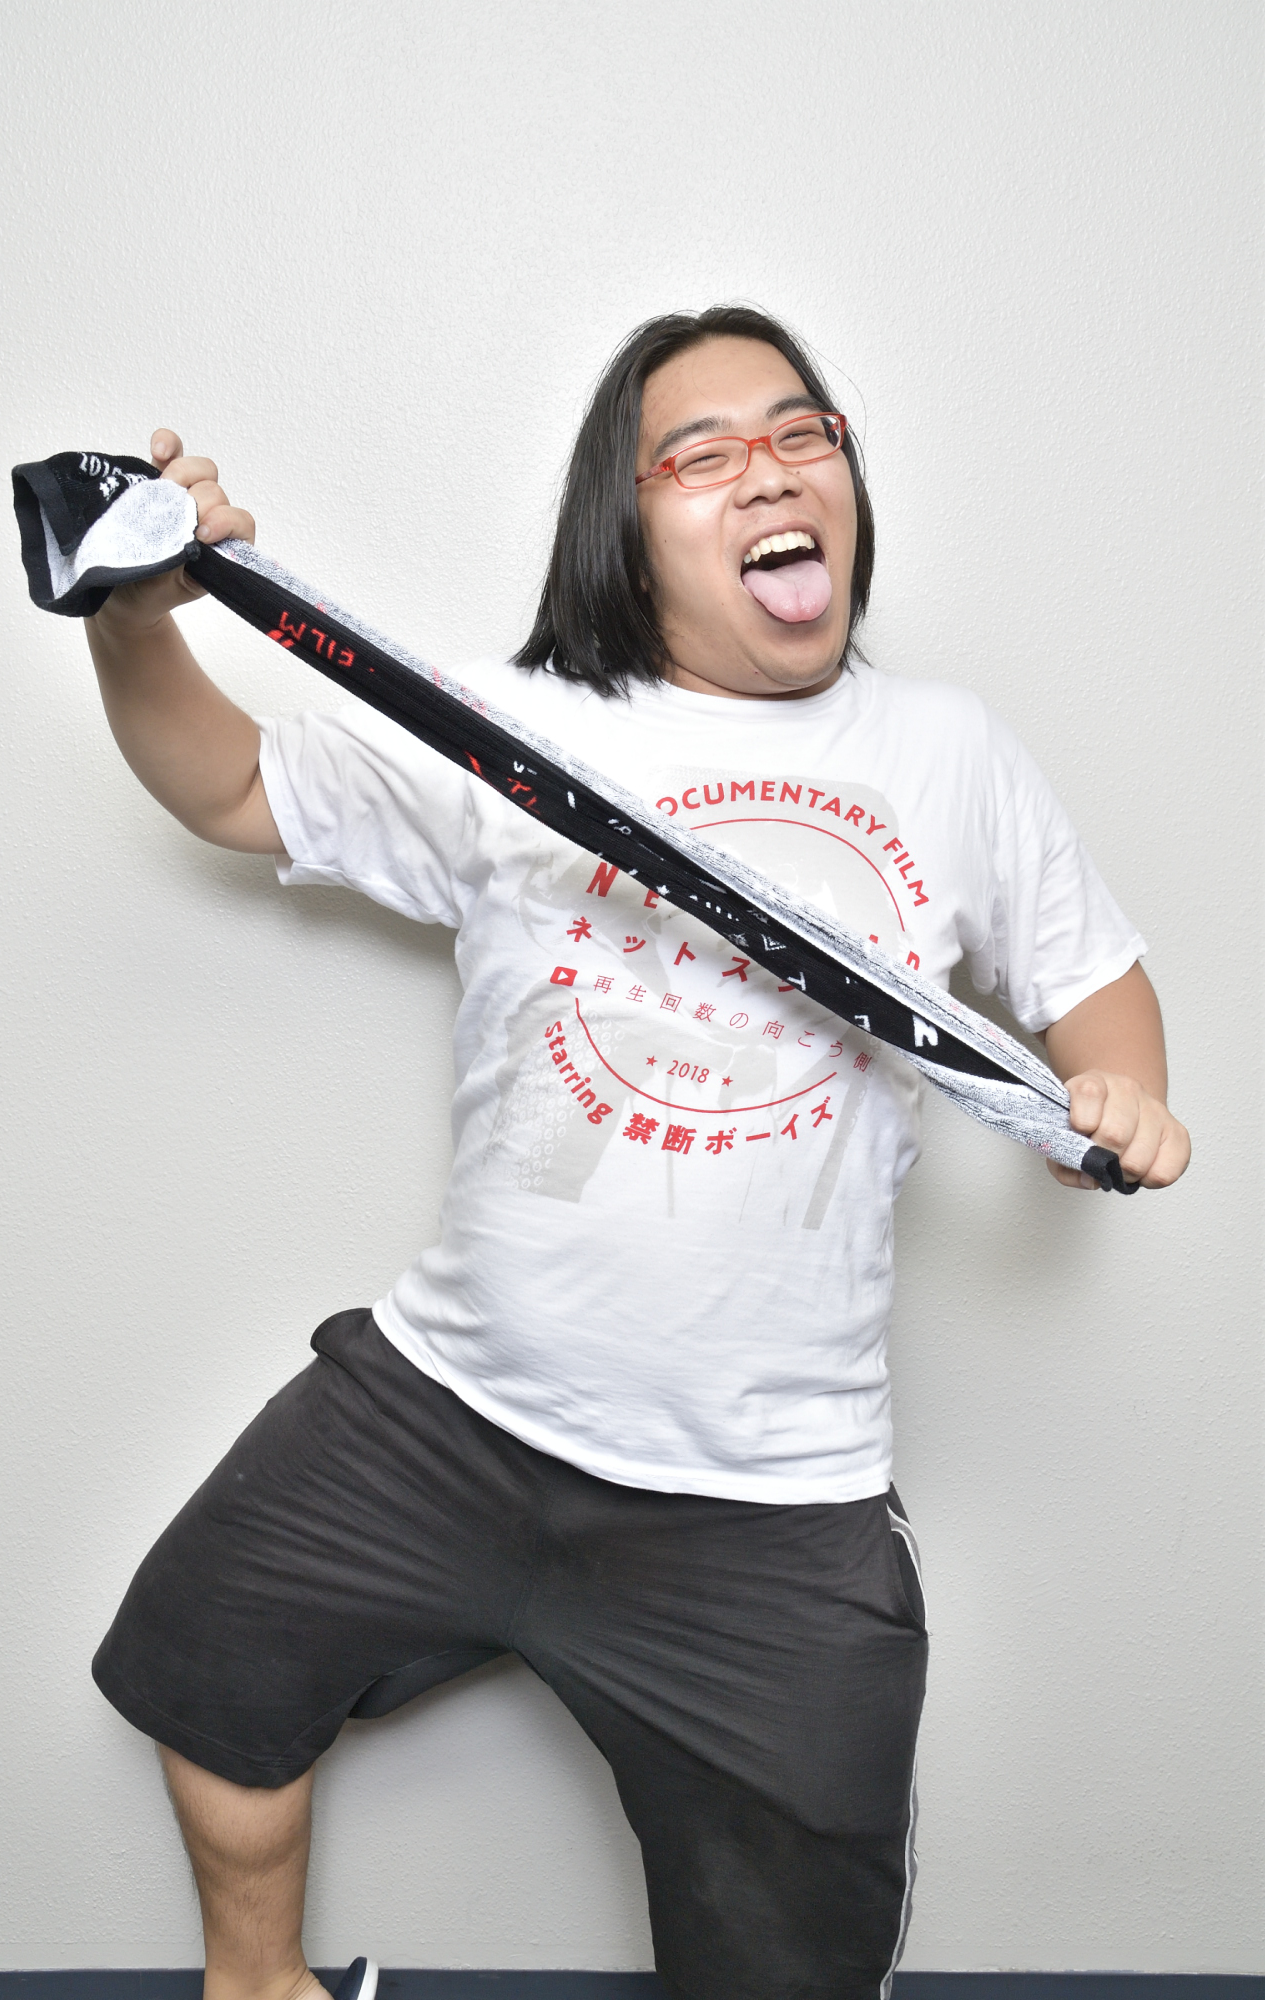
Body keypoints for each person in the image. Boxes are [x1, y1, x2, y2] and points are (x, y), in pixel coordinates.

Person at [83, 306, 1190, 2000]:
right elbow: (231, 789)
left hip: (766, 1501)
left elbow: (1094, 987)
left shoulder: (947, 753)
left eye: (803, 433)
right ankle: (262, 1989)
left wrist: (1113, 1097)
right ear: (627, 517)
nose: (772, 468)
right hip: (452, 1412)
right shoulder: (508, 731)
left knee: (791, 1967)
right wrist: (131, 617)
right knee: (202, 1662)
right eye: (704, 451)